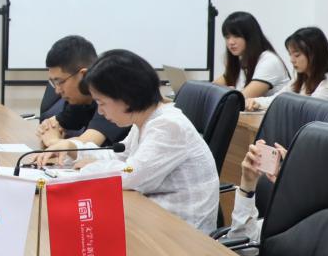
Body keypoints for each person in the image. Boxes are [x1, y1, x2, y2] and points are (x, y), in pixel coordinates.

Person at [69, 49, 220, 233]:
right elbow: (121, 156)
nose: (100, 111)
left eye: (101, 103)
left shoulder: (168, 125)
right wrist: (73, 149)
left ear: (125, 97)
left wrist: (89, 168)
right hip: (155, 220)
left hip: (184, 234)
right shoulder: (145, 121)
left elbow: (132, 176)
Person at [36, 35, 128, 150]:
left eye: (60, 82)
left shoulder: (114, 94)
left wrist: (53, 141)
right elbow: (51, 124)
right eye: (53, 82)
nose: (57, 90)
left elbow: (87, 145)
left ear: (83, 75)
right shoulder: (82, 100)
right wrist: (47, 128)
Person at [246, 26, 328, 111]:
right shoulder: (302, 78)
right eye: (290, 55)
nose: (292, 60)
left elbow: (308, 110)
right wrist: (255, 101)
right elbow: (278, 99)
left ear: (315, 54)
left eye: (297, 55)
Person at [213, 11, 290, 99]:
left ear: (250, 36)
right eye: (227, 37)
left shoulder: (269, 61)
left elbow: (241, 99)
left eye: (236, 36)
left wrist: (225, 94)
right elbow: (210, 91)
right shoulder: (240, 61)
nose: (231, 42)